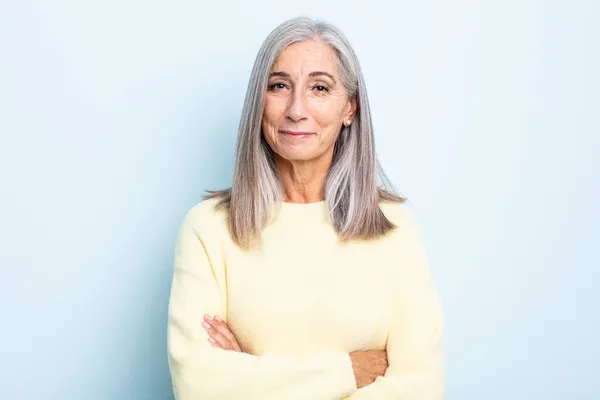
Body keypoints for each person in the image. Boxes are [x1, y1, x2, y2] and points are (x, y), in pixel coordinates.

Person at [167, 16, 445, 400]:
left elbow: (420, 387)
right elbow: (198, 384)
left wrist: (250, 375)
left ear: (350, 109)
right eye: (279, 86)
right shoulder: (209, 228)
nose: (297, 109)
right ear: (258, 102)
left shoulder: (394, 228)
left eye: (320, 88)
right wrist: (347, 372)